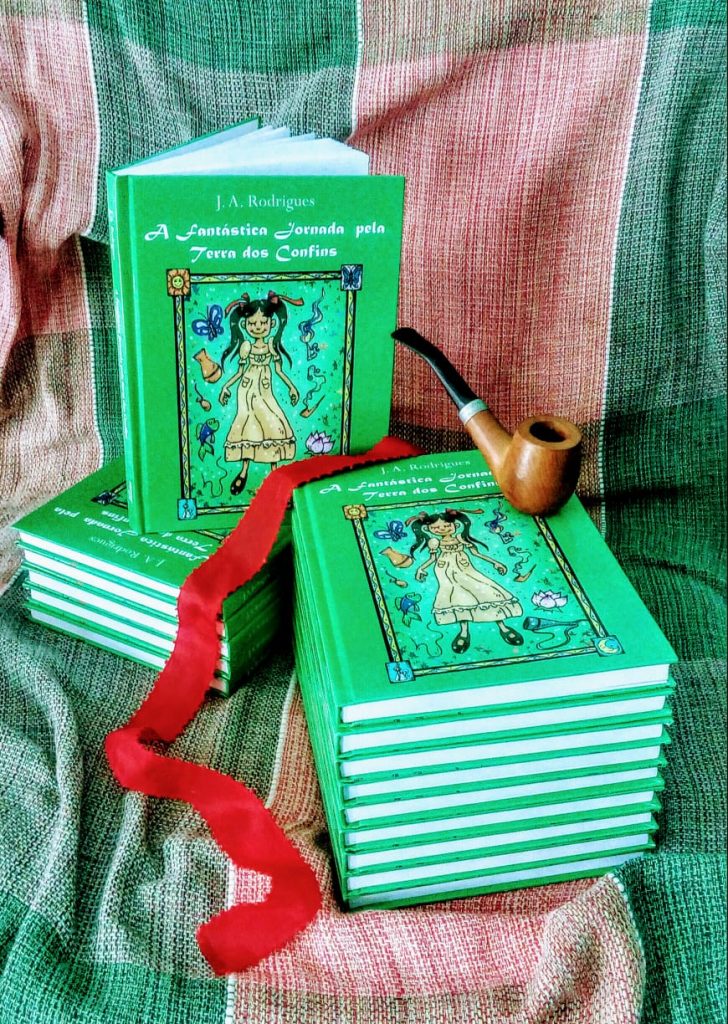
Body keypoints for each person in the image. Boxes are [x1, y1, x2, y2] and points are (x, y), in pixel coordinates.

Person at [219, 291, 302, 495]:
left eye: (263, 323)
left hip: (265, 389)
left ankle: (274, 473)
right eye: (252, 323)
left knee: (272, 422)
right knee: (248, 424)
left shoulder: (272, 346)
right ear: (245, 325)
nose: (258, 327)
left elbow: (279, 371)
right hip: (247, 389)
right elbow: (239, 372)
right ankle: (244, 470)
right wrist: (225, 386)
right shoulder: (246, 346)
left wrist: (291, 387)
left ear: (271, 324)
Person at [408, 509, 523, 653]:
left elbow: (476, 553)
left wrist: (495, 562)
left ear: (455, 525)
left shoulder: (461, 538)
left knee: (484, 591)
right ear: (428, 529)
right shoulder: (434, 542)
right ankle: (464, 632)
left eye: (446, 525)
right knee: (457, 598)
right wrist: (421, 568)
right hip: (445, 570)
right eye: (436, 528)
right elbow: (432, 558)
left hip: (465, 568)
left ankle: (503, 627)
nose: (442, 529)